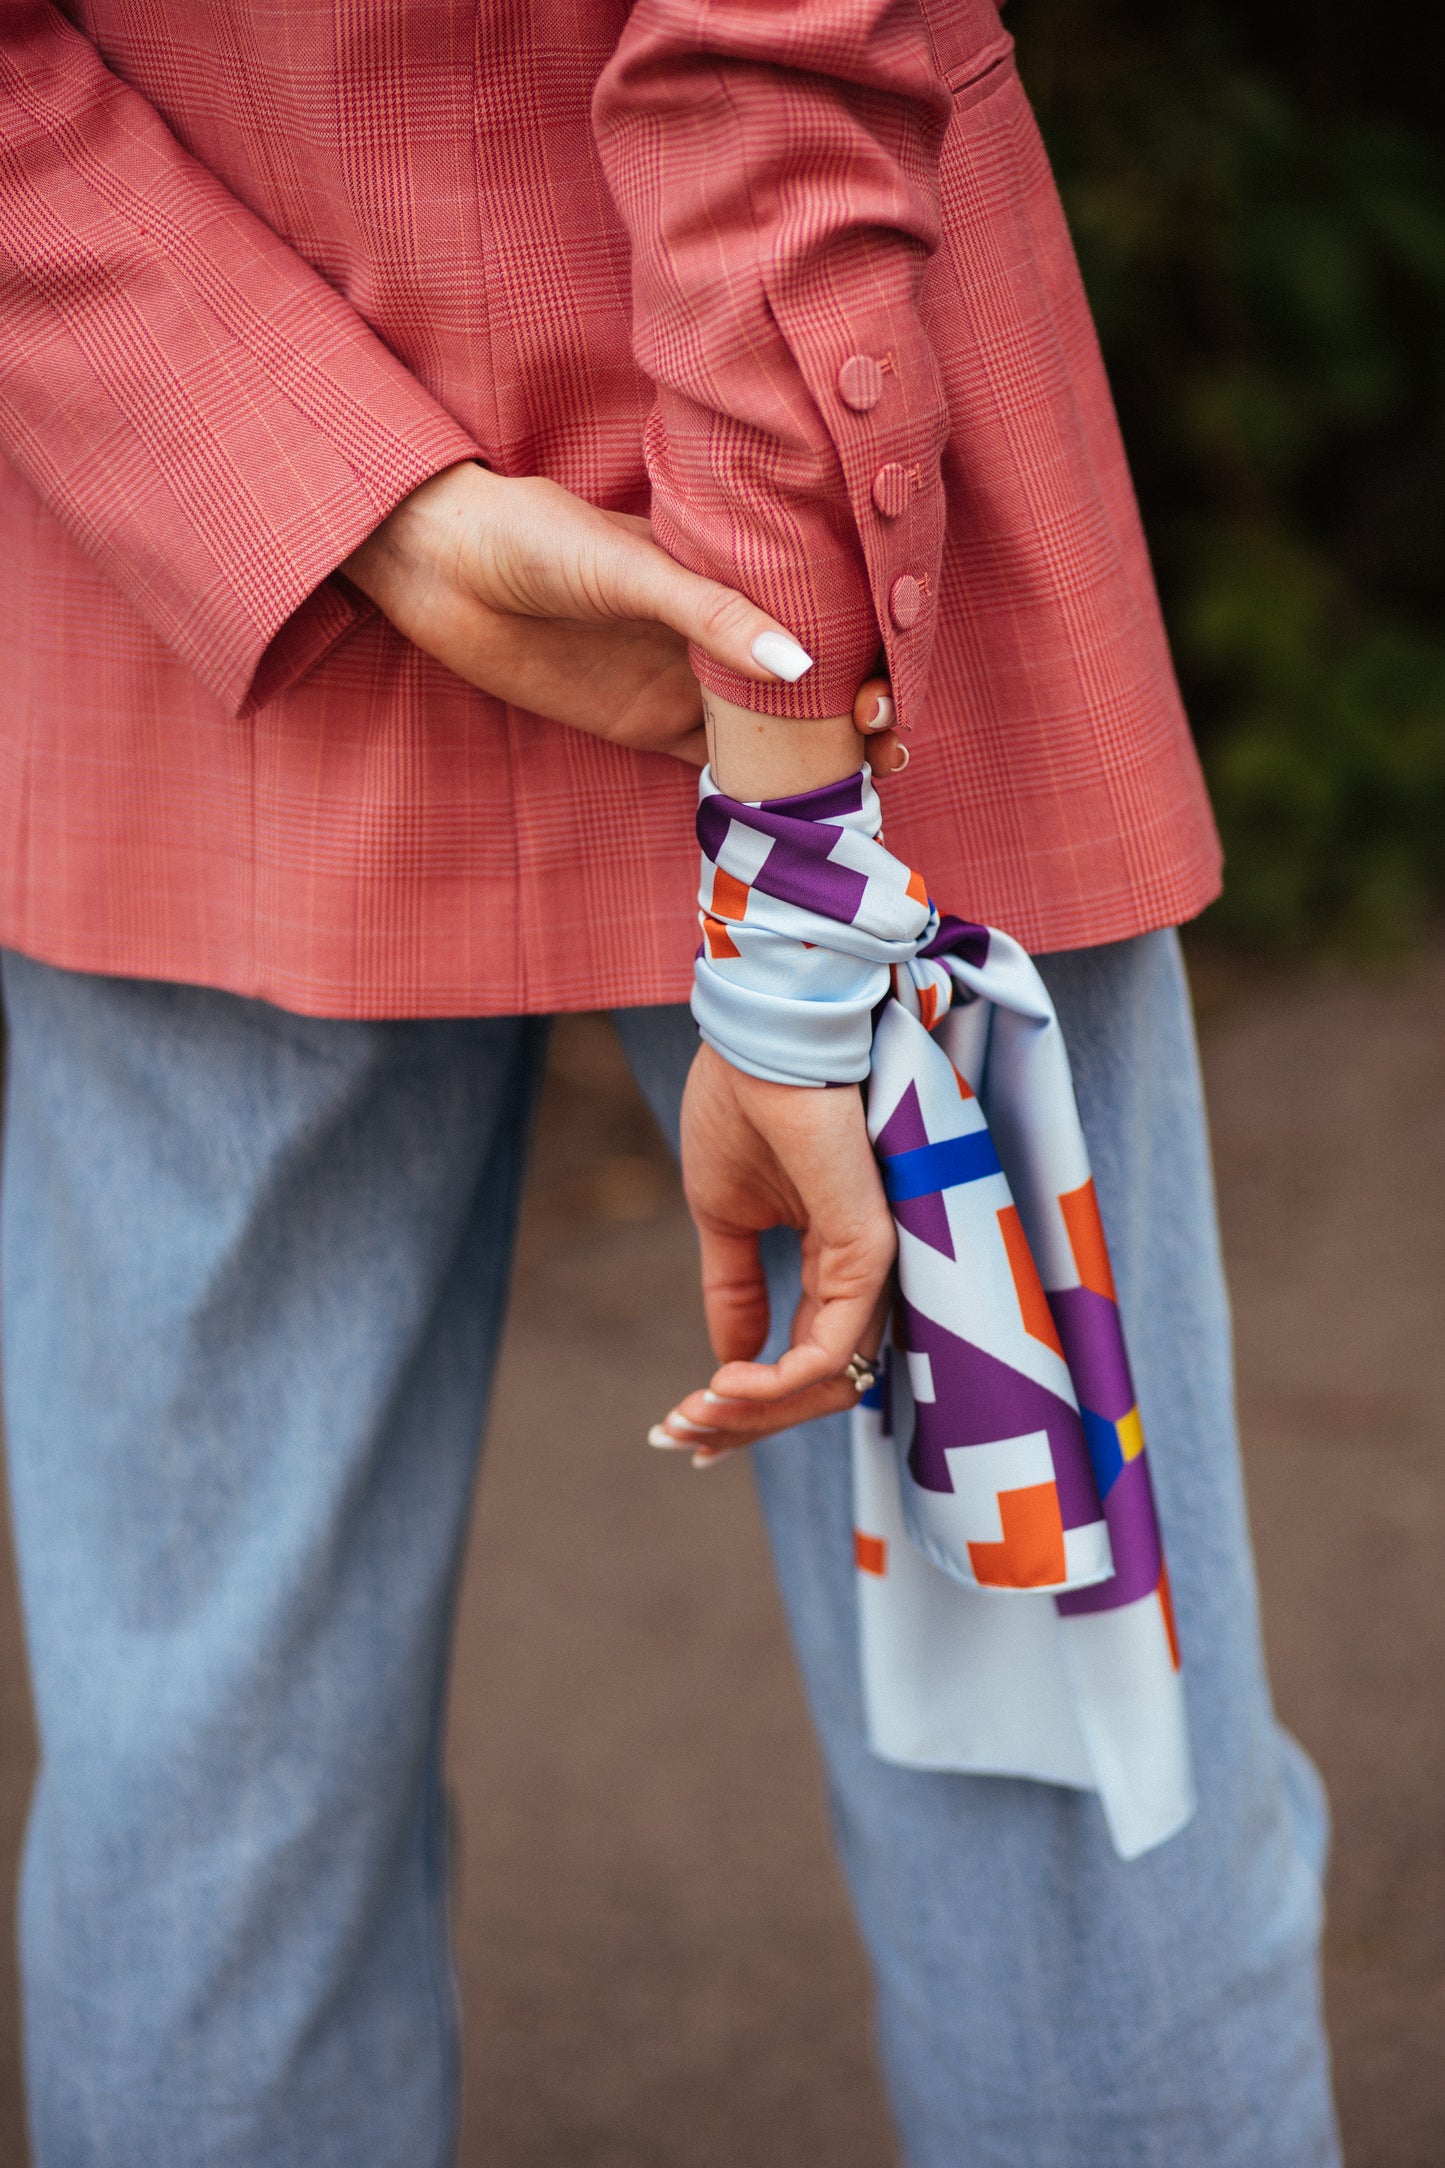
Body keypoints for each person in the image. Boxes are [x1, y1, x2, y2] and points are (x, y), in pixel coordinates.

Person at [0, 1, 1338, 2163]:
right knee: (1071, 1778)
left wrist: (317, 482)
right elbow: (778, 37)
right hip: (828, 570)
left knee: (206, 1801)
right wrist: (801, 870)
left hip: (184, 551)